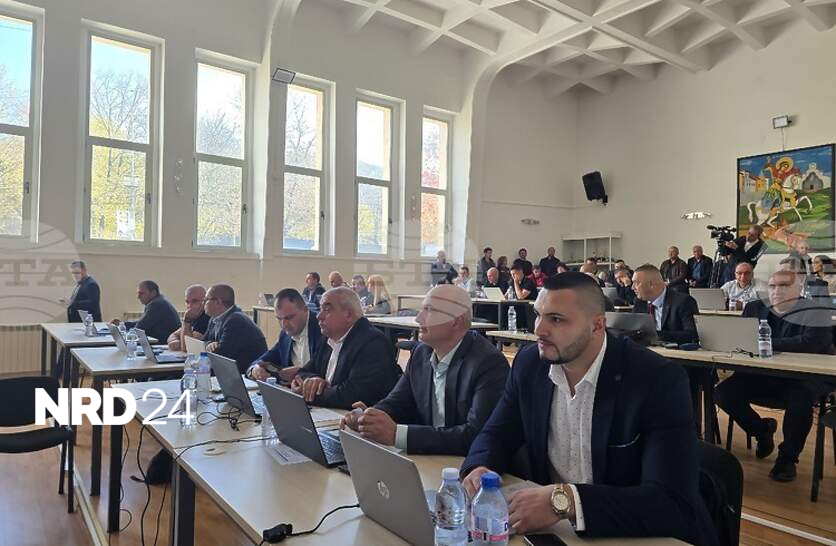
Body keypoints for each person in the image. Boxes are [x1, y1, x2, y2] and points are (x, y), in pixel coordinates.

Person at [460, 273, 717, 546]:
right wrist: (480, 466)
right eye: (538, 315)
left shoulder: (656, 379)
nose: (539, 330)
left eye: (556, 319)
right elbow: (498, 433)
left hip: (640, 535)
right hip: (559, 533)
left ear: (597, 326)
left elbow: (671, 503)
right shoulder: (530, 364)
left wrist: (566, 501)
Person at [341, 285, 508, 455]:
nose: (418, 318)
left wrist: (398, 435)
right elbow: (397, 403)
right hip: (428, 457)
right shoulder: (421, 353)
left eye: (429, 310)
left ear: (456, 321)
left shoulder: (488, 363)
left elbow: (476, 435)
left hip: (466, 464)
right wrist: (368, 418)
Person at [716, 269, 834, 482]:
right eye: (772, 286)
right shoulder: (754, 307)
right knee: (723, 393)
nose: (777, 291)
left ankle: (787, 458)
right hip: (763, 374)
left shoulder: (816, 310)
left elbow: (811, 343)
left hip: (805, 376)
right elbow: (742, 339)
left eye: (784, 286)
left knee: (801, 398)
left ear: (798, 289)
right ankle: (762, 430)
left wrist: (765, 343)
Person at [292, 287, 401, 409]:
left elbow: (351, 395)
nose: (319, 316)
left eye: (327, 310)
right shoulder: (327, 339)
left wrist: (308, 393)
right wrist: (312, 380)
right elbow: (303, 372)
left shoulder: (372, 343)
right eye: (320, 309)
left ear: (348, 315)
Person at [247, 288, 322, 382]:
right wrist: (255, 369)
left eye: (289, 318)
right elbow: (265, 359)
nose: (284, 325)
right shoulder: (285, 334)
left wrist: (302, 374)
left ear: (305, 309)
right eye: (279, 319)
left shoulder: (323, 329)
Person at [203, 284, 268, 373]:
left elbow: (222, 354)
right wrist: (209, 344)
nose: (203, 303)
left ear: (218, 302)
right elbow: (204, 342)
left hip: (247, 373)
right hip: (229, 370)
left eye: (206, 299)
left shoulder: (236, 320)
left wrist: (211, 347)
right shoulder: (214, 319)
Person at [631, 264, 698, 344]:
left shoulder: (684, 301)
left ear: (651, 284)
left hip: (673, 350)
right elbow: (634, 330)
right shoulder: (639, 302)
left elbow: (692, 335)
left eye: (636, 283)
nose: (632, 287)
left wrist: (656, 335)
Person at [111, 280, 181, 343]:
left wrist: (122, 328)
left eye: (141, 293)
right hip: (162, 342)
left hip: (164, 345)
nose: (138, 297)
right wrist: (122, 324)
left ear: (153, 293)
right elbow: (141, 323)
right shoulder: (158, 301)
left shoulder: (156, 304)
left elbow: (139, 328)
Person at [166, 285, 211, 351]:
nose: (189, 305)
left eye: (194, 301)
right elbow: (174, 335)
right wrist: (174, 341)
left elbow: (187, 347)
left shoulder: (206, 318)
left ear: (205, 301)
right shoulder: (194, 316)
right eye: (187, 302)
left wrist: (186, 320)